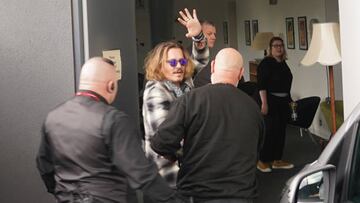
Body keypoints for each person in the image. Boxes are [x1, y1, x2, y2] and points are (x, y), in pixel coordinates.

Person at [36, 57, 187, 203]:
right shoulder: (113, 120)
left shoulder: (53, 117)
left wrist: (61, 192)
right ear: (111, 86)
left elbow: (44, 166)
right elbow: (142, 174)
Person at [151, 48, 264, 203]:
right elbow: (256, 150)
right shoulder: (253, 108)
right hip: (241, 195)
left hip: (196, 194)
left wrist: (181, 155)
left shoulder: (190, 100)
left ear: (212, 67)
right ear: (240, 73)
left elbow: (161, 143)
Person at [142, 41, 194, 187]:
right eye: (172, 62)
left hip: (185, 164)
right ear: (160, 65)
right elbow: (165, 140)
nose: (178, 66)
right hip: (165, 169)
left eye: (182, 61)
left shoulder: (186, 84)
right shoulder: (156, 91)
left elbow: (200, 60)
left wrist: (198, 36)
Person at [256, 36, 294, 173]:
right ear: (270, 49)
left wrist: (290, 103)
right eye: (276, 46)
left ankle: (277, 160)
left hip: (283, 102)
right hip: (270, 101)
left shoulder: (283, 63)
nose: (279, 48)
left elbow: (286, 86)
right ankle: (262, 160)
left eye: (281, 45)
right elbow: (262, 85)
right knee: (270, 131)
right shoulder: (266, 63)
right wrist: (264, 103)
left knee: (281, 131)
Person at [177, 8, 215, 88]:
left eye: (214, 34)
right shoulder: (187, 55)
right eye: (209, 34)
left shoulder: (204, 55)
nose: (214, 37)